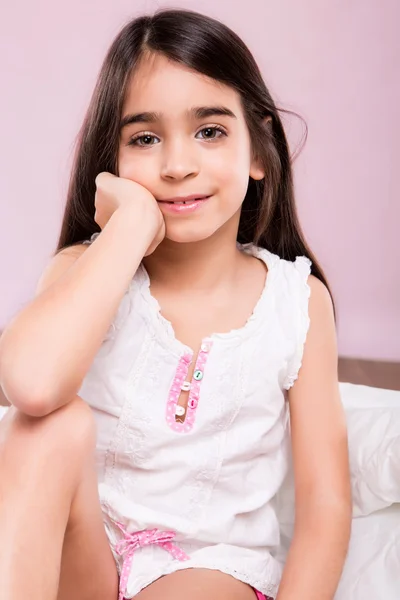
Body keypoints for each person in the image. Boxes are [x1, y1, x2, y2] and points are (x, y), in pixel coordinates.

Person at [0, 8, 352, 600]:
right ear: (111, 162)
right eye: (144, 138)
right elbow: (30, 386)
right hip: (83, 565)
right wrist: (130, 228)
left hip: (206, 569)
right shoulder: (84, 272)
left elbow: (327, 508)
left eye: (209, 131)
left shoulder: (297, 303)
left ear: (260, 150)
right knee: (48, 426)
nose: (177, 165)